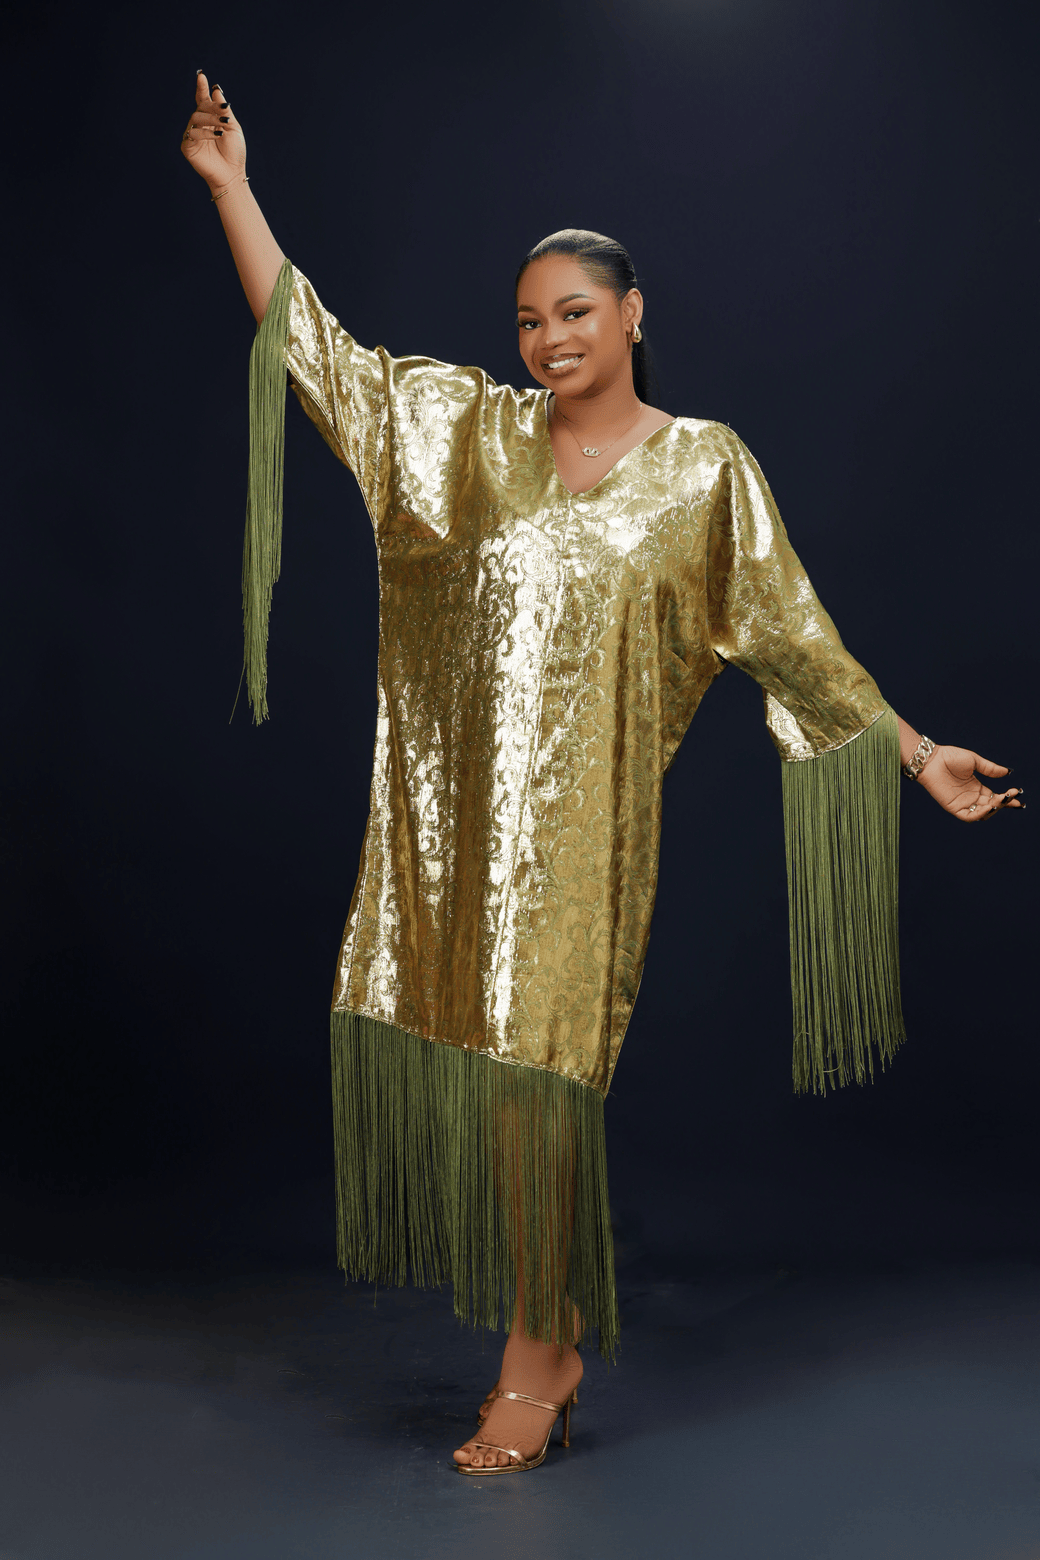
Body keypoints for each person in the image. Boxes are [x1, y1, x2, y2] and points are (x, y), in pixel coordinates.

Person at [181, 71, 1023, 1476]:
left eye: (574, 310)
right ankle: (548, 1334)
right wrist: (232, 188)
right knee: (498, 1083)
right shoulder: (470, 435)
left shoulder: (704, 473)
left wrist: (917, 757)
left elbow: (796, 641)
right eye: (527, 317)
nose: (547, 336)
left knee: (543, 1083)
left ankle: (536, 1354)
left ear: (634, 315)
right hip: (448, 834)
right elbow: (318, 354)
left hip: (582, 844)